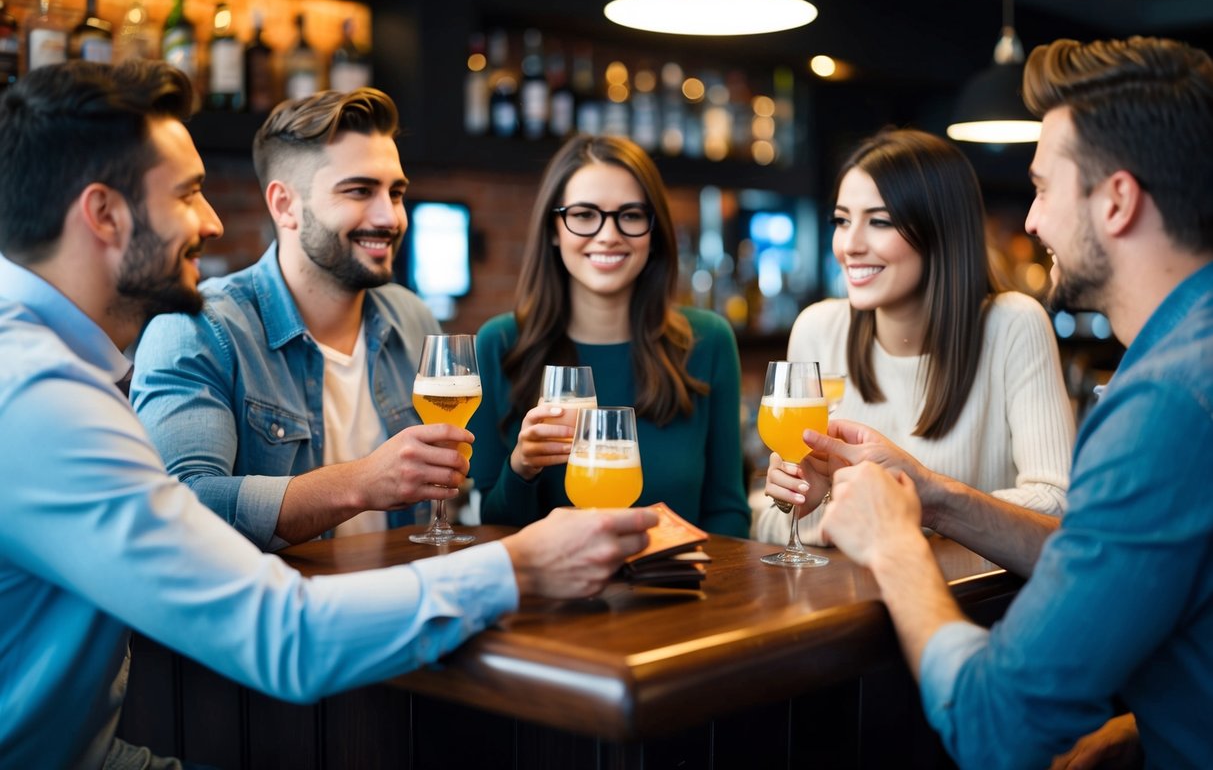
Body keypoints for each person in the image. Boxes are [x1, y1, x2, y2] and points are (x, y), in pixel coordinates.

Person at [0, 60, 657, 769]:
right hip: (249, 706)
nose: (213, 220)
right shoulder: (49, 392)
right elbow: (276, 626)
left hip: (402, 675)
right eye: (188, 194)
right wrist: (514, 563)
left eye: (396, 192)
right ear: (103, 214)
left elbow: (452, 508)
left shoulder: (408, 318)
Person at [814, 36, 1213, 768]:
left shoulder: (1164, 403)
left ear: (1116, 201)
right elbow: (1103, 555)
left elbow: (994, 726)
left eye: (1042, 188)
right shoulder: (1176, 358)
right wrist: (933, 497)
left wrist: (894, 545)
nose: (1029, 223)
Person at [131, 87, 459, 549]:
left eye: (397, 192)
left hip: (404, 605)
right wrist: (361, 483)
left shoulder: (412, 317)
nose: (390, 216)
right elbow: (181, 505)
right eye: (360, 191)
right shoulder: (197, 328)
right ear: (285, 205)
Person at [757, 128, 1073, 544]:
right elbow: (766, 528)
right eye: (841, 220)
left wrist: (913, 500)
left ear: (940, 230)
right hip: (848, 601)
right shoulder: (818, 328)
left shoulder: (1013, 324)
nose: (849, 245)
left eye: (880, 221)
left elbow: (1059, 507)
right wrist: (800, 502)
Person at [469, 134, 751, 537]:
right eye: (584, 214)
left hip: (678, 592)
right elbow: (493, 526)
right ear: (554, 229)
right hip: (545, 598)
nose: (608, 235)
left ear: (653, 231)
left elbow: (728, 512)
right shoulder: (499, 343)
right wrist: (522, 467)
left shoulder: (708, 342)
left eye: (631, 215)